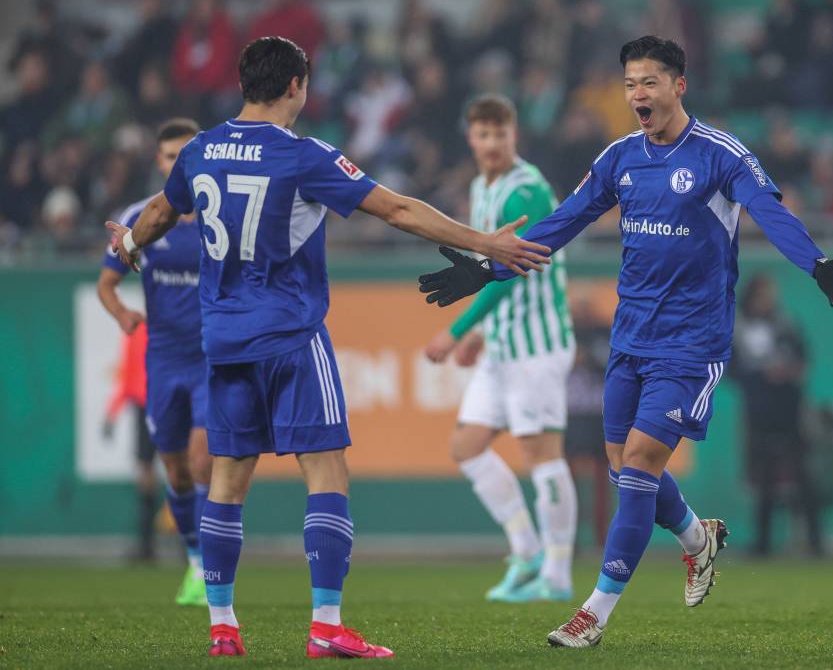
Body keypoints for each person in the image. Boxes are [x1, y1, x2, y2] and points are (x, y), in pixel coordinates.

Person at [417, 35, 833, 648]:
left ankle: (594, 613)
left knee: (636, 467)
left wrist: (815, 264)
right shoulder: (621, 157)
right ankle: (696, 538)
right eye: (631, 83)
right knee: (624, 466)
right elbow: (564, 222)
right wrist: (487, 266)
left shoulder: (719, 154)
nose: (638, 94)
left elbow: (768, 208)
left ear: (678, 86)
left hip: (692, 342)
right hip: (631, 338)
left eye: (650, 82)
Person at [106, 36, 549, 659]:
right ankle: (325, 625)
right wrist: (485, 244)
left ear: (242, 84)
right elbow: (394, 208)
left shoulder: (200, 150)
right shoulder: (303, 155)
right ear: (296, 86)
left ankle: (223, 627)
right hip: (288, 334)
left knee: (228, 480)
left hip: (224, 340)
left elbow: (156, 213)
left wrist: (125, 251)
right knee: (326, 470)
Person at [423, 95, 577, 603]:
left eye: (500, 134)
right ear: (471, 138)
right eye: (483, 135)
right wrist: (480, 336)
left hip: (537, 344)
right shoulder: (479, 186)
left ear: (514, 135)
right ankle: (527, 551)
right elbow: (486, 270)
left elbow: (509, 277)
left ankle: (557, 575)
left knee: (542, 456)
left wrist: (456, 331)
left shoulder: (526, 190)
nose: (491, 144)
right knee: (465, 448)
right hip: (504, 343)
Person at [97, 118, 210, 606]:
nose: (176, 162)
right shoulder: (142, 215)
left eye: (185, 153)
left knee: (204, 460)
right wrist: (122, 313)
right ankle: (197, 560)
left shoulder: (222, 212)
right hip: (162, 361)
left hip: (212, 357)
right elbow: (107, 282)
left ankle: (214, 570)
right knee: (175, 470)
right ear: (160, 162)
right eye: (168, 156)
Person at [732, 274, 822, 556]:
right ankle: (762, 543)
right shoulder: (739, 327)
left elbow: (804, 358)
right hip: (759, 407)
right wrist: (760, 376)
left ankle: (815, 541)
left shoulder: (786, 323)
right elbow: (730, 368)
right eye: (765, 293)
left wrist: (790, 371)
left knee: (802, 475)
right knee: (763, 478)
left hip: (788, 407)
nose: (770, 298)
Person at [101, 323, 158, 562]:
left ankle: (191, 548)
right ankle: (146, 546)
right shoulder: (137, 329)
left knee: (184, 471)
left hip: (172, 400)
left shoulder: (173, 324)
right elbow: (128, 376)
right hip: (145, 405)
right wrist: (112, 412)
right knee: (146, 473)